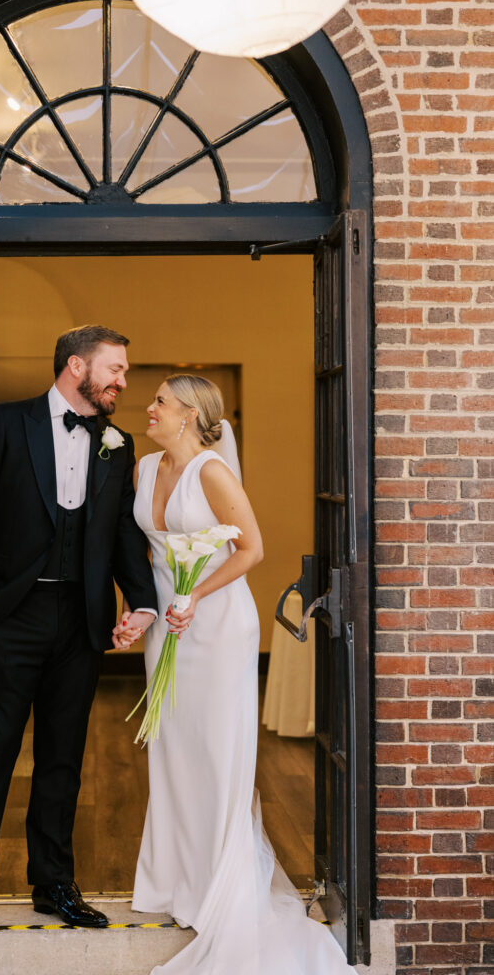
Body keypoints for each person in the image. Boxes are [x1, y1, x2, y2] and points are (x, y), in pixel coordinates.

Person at [113, 374, 357, 974]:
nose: (149, 408)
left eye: (161, 403)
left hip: (217, 622)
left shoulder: (213, 473)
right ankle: (175, 880)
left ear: (190, 415)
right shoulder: (144, 470)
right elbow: (146, 551)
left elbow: (251, 549)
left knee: (217, 751)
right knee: (171, 747)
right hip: (170, 622)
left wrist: (197, 596)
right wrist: (143, 609)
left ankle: (218, 887)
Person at [0, 325, 157, 937]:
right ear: (76, 368)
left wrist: (142, 601)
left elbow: (119, 535)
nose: (123, 381)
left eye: (126, 372)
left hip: (80, 624)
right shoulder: (4, 423)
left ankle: (53, 884)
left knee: (63, 760)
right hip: (9, 619)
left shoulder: (118, 442)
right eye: (115, 369)